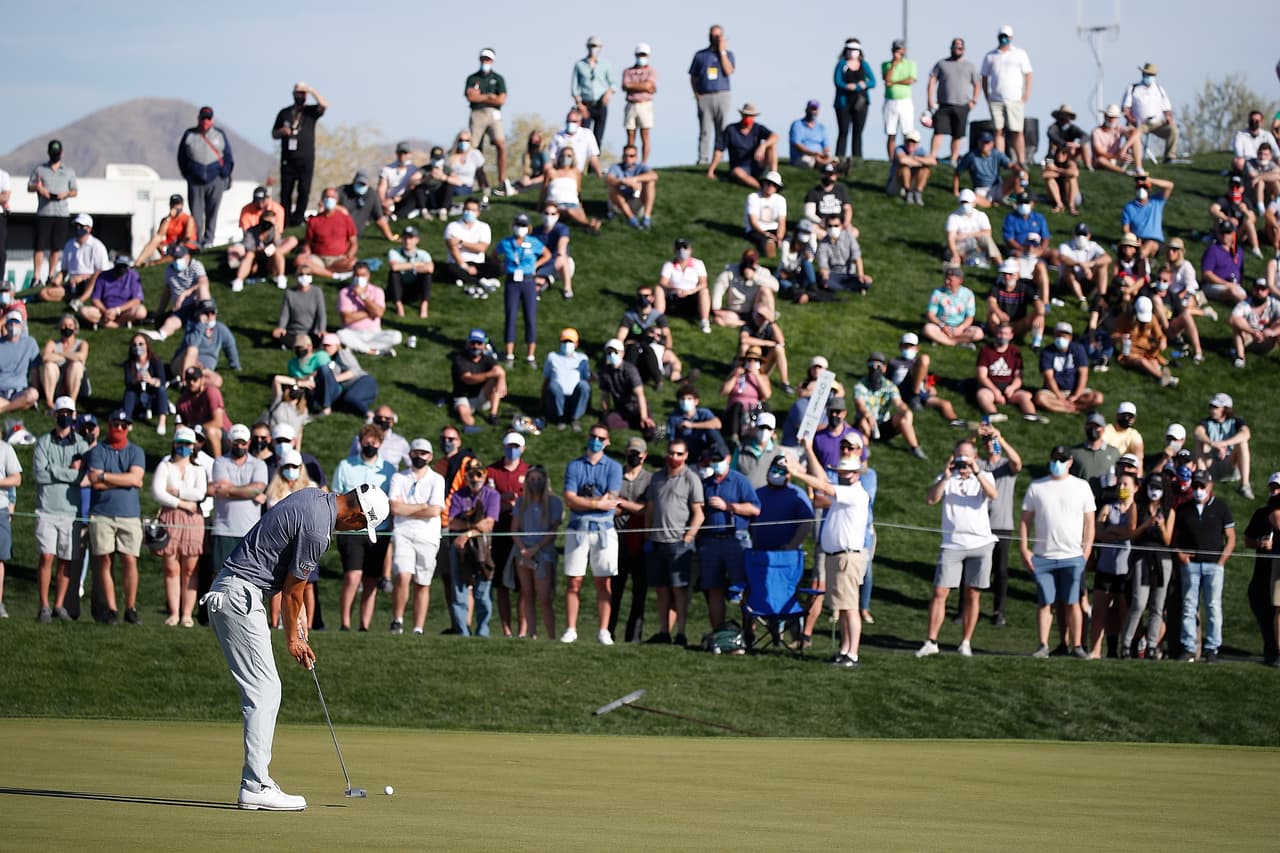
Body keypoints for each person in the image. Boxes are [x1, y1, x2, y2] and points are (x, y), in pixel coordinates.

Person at [203, 483, 389, 811]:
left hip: (234, 590)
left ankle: (258, 779)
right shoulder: (320, 531)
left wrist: (299, 612)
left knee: (265, 689)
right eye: (362, 525)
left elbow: (286, 571)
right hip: (238, 595)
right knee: (264, 690)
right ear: (357, 515)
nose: (358, 529)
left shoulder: (312, 496)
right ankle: (255, 785)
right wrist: (293, 639)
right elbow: (291, 592)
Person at [787, 437, 871, 667]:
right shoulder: (845, 491)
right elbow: (824, 481)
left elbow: (823, 486)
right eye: (842, 472)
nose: (844, 475)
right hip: (838, 556)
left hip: (848, 557)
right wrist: (807, 451)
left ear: (857, 473)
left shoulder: (855, 493)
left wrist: (797, 473)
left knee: (850, 607)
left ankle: (852, 653)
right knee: (843, 607)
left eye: (849, 472)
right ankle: (845, 649)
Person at [918, 439, 998, 657]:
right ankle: (931, 640)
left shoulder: (984, 475)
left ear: (974, 457)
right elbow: (931, 499)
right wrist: (945, 476)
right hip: (952, 544)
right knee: (940, 591)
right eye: (959, 456)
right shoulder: (947, 477)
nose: (963, 460)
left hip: (980, 544)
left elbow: (993, 495)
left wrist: (977, 473)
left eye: (967, 456)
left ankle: (965, 642)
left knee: (973, 594)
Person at [1020, 445, 1096, 659]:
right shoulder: (1037, 487)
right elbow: (1025, 521)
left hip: (1073, 556)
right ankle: (1043, 645)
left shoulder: (1081, 487)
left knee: (1072, 602)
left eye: (1062, 459)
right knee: (1045, 602)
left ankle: (1077, 645)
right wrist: (1024, 549)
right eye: (1055, 459)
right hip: (1043, 556)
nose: (1058, 463)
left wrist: (1086, 552)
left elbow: (1090, 523)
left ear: (1070, 462)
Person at [559, 424, 623, 644]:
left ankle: (604, 630)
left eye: (601, 437)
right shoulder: (575, 466)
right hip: (578, 528)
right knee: (574, 580)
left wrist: (585, 503)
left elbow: (612, 498)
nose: (596, 440)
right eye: (593, 436)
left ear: (607, 442)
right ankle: (571, 629)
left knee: (603, 581)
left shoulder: (614, 467)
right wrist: (596, 503)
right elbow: (569, 497)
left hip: (604, 530)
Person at [330, 424, 394, 632]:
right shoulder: (345, 466)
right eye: (366, 441)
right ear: (360, 442)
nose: (370, 445)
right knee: (352, 576)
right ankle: (345, 623)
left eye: (374, 442)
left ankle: (364, 625)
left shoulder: (389, 469)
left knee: (371, 579)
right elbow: (336, 495)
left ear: (380, 443)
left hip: (378, 530)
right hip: (351, 528)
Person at [86, 409, 146, 625]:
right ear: (109, 425)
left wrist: (105, 477)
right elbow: (95, 481)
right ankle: (111, 608)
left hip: (129, 514)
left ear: (128, 427)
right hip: (102, 513)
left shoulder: (136, 451)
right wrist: (126, 480)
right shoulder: (99, 451)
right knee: (104, 559)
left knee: (129, 559)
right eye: (115, 424)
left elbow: (136, 478)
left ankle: (130, 607)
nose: (118, 428)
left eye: (122, 425)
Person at [643, 437, 704, 645]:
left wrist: (688, 538)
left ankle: (681, 632)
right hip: (657, 541)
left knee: (680, 589)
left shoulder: (691, 478)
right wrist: (648, 533)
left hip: (679, 543)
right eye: (671, 453)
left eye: (679, 454)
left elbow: (699, 513)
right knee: (661, 588)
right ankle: (663, 631)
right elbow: (650, 508)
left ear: (686, 456)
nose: (674, 457)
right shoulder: (657, 477)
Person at [1171, 471, 1234, 662]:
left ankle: (1212, 648)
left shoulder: (1221, 508)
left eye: (1202, 486)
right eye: (1196, 487)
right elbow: (1174, 538)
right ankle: (1189, 647)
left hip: (1213, 566)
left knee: (1213, 607)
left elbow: (1230, 538)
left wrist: (1221, 561)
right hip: (1191, 566)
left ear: (1210, 486)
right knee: (1189, 607)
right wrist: (1180, 555)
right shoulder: (1184, 509)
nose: (1198, 490)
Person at [32, 396, 86, 622]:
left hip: (70, 512)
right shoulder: (43, 441)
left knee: (66, 560)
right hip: (46, 509)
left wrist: (55, 470)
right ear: (55, 414)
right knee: (47, 556)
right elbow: (39, 474)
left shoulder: (81, 444)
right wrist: (68, 473)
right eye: (60, 412)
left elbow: (83, 477)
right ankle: (44, 605)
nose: (64, 416)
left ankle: (59, 604)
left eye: (68, 412)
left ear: (74, 416)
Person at [696, 446, 760, 630]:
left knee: (744, 587)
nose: (716, 463)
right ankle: (718, 632)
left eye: (719, 459)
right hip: (710, 541)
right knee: (713, 588)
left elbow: (755, 509)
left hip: (736, 539)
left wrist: (728, 507)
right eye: (713, 460)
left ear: (728, 458)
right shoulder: (706, 484)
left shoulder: (740, 481)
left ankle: (748, 631)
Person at [150, 426, 207, 627]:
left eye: (188, 444)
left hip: (193, 520)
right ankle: (174, 612)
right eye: (181, 444)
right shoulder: (165, 465)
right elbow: (157, 492)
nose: (184, 447)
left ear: (193, 447)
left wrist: (175, 490)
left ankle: (187, 614)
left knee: (190, 568)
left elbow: (200, 493)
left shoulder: (198, 469)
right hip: (171, 516)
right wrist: (182, 502)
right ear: (175, 444)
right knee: (171, 566)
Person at [387, 439, 445, 636]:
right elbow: (394, 507)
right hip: (403, 532)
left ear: (430, 456)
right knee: (403, 576)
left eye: (423, 453)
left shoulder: (437, 479)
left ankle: (418, 627)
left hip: (428, 536)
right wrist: (422, 506)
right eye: (416, 453)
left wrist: (409, 508)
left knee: (423, 581)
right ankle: (398, 620)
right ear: (410, 454)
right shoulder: (399, 477)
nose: (419, 457)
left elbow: (435, 510)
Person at [1120, 473, 1176, 659]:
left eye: (1158, 488)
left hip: (1162, 559)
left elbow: (1168, 540)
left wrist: (1160, 526)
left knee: (1158, 605)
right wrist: (1147, 524)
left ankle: (1152, 645)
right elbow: (1131, 533)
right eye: (1152, 487)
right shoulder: (1138, 506)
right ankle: (1126, 644)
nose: (1154, 491)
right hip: (1141, 557)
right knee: (1138, 603)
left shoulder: (1169, 511)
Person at [1087, 471, 1138, 658]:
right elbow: (1097, 531)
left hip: (1126, 570)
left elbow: (1130, 531)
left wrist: (1113, 530)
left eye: (1126, 485)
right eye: (1119, 485)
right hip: (1105, 568)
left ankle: (1124, 650)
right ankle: (1096, 651)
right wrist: (1115, 533)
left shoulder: (1136, 509)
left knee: (1124, 612)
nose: (1122, 488)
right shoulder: (1108, 508)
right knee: (1100, 612)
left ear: (1135, 488)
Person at [447, 458, 500, 636]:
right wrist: (471, 526)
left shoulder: (492, 495)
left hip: (483, 548)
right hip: (462, 549)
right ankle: (463, 631)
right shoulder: (458, 495)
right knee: (460, 590)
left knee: (482, 593)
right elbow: (452, 523)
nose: (475, 478)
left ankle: (483, 631)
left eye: (478, 474)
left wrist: (467, 533)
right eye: (471, 474)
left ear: (484, 475)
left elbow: (488, 523)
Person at [608, 437, 653, 642]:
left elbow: (647, 510)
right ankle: (607, 631)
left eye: (638, 453)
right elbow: (609, 506)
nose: (634, 456)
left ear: (644, 456)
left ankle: (634, 636)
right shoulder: (615, 476)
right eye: (631, 452)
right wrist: (629, 506)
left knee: (639, 593)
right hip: (616, 540)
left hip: (641, 540)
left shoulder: (650, 479)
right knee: (614, 591)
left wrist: (623, 504)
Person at [512, 463, 563, 640]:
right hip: (523, 552)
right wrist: (523, 549)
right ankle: (531, 634)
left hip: (543, 552)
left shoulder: (554, 502)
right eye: (532, 479)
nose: (536, 482)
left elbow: (553, 529)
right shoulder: (521, 502)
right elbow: (515, 528)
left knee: (544, 597)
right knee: (527, 594)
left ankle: (551, 636)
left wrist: (536, 548)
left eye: (539, 479)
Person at [485, 432, 529, 638]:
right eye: (509, 445)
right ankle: (506, 630)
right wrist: (502, 503)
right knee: (502, 582)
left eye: (516, 446)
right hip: (500, 532)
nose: (512, 449)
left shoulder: (528, 472)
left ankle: (523, 630)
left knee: (522, 584)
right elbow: (485, 502)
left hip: (523, 533)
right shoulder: (492, 471)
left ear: (523, 449)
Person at [496, 213, 551, 365]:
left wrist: (535, 266)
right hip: (512, 281)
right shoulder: (506, 243)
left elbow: (547, 254)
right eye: (518, 225)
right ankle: (509, 354)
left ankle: (530, 355)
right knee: (510, 316)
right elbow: (494, 254)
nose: (520, 228)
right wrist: (502, 265)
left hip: (528, 281)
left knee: (530, 318)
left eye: (523, 225)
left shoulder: (533, 242)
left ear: (528, 227)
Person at [177, 106, 234, 248]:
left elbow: (228, 157)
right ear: (199, 119)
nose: (205, 121)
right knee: (196, 213)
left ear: (212, 120)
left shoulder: (219, 135)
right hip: (195, 181)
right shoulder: (190, 135)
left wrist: (223, 173)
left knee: (212, 212)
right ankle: (197, 241)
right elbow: (181, 157)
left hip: (215, 179)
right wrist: (188, 174)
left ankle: (208, 240)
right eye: (203, 118)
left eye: (208, 118)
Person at [272, 82, 327, 227]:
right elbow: (273, 133)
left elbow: (324, 104)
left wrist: (311, 89)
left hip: (306, 159)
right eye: (298, 93)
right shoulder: (284, 113)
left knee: (304, 190)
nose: (301, 96)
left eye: (303, 93)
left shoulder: (310, 112)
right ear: (293, 94)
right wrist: (281, 132)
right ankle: (286, 221)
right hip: (288, 160)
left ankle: (298, 220)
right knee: (286, 192)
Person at [852, 354, 927, 458]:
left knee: (904, 418)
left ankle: (915, 447)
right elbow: (860, 405)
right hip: (866, 424)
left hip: (882, 426)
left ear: (884, 368)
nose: (875, 369)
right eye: (871, 365)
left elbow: (899, 403)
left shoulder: (890, 386)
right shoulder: (860, 386)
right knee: (864, 421)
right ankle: (865, 447)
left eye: (878, 366)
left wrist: (906, 411)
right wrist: (868, 416)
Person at [28, 139, 79, 288]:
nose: (55, 155)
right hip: (44, 213)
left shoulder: (68, 171)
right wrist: (39, 189)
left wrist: (66, 194)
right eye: (52, 153)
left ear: (61, 153)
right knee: (39, 246)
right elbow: (30, 186)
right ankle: (36, 277)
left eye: (57, 153)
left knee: (56, 247)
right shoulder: (40, 170)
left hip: (61, 214)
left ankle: (51, 275)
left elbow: (75, 191)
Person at [980, 25, 1033, 165]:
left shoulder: (1020, 53)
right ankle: (1002, 160)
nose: (1004, 39)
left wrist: (1026, 93)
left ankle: (1021, 161)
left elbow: (1028, 74)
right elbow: (984, 77)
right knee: (998, 131)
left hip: (1014, 99)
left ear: (1011, 38)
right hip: (996, 99)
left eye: (1006, 36)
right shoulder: (990, 55)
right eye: (1001, 36)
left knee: (1017, 131)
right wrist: (987, 95)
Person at [227, 187, 297, 293]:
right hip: (255, 254)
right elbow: (248, 246)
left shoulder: (275, 220)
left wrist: (275, 228)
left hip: (270, 254)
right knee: (247, 254)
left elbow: (277, 243)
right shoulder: (251, 230)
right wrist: (260, 250)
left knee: (280, 249)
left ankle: (281, 277)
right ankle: (238, 280)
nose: (266, 226)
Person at [465, 48, 513, 196]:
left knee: (500, 144)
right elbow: (471, 97)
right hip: (477, 113)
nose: (485, 62)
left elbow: (501, 99)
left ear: (492, 61)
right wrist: (490, 96)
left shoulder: (498, 78)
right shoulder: (472, 78)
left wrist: (482, 96)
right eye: (483, 59)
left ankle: (502, 181)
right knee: (474, 149)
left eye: (488, 59)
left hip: (494, 114)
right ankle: (482, 183)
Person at [141, 244, 211, 344]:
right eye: (175, 258)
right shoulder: (169, 270)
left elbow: (203, 282)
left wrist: (185, 294)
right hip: (182, 308)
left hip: (197, 303)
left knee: (202, 288)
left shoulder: (196, 265)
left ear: (187, 256)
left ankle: (207, 322)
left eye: (180, 258)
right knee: (170, 322)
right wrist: (160, 311)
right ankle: (160, 335)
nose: (177, 261)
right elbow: (167, 291)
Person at [888, 332, 962, 425]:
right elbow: (887, 380)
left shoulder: (919, 363)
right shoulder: (894, 362)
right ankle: (913, 397)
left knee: (945, 404)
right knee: (924, 358)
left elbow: (924, 380)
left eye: (911, 346)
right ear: (900, 346)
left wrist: (929, 386)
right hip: (902, 389)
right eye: (905, 346)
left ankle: (955, 421)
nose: (908, 349)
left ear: (917, 348)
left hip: (919, 391)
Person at [617, 286, 683, 387]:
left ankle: (674, 376)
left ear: (652, 298)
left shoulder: (658, 317)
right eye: (640, 296)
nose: (643, 299)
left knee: (671, 357)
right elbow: (621, 336)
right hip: (634, 350)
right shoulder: (630, 316)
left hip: (654, 349)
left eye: (646, 296)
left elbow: (667, 334)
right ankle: (627, 376)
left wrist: (668, 348)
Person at [927, 37, 980, 163]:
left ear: (964, 50)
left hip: (962, 105)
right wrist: (930, 100)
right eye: (955, 47)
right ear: (951, 48)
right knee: (938, 131)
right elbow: (932, 81)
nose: (958, 49)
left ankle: (954, 159)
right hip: (943, 104)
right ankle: (932, 157)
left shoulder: (970, 66)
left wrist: (974, 101)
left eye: (960, 47)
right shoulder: (941, 64)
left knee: (958, 134)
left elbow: (977, 84)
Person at [689, 25, 736, 165]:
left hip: (722, 94)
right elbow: (693, 77)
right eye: (712, 35)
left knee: (722, 129)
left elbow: (728, 71)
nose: (714, 38)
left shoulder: (729, 54)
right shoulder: (700, 55)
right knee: (705, 130)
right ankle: (703, 159)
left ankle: (718, 159)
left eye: (718, 36)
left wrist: (722, 51)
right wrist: (696, 94)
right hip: (705, 95)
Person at [1035, 321, 1104, 415]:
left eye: (1064, 336)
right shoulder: (1047, 352)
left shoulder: (1078, 349)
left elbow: (1083, 375)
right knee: (1040, 398)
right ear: (1054, 336)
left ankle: (1068, 406)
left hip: (1075, 391)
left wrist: (1075, 395)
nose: (1061, 338)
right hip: (1054, 392)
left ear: (1070, 338)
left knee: (1098, 397)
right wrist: (1060, 397)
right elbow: (1049, 378)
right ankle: (1071, 409)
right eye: (1058, 335)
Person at [974, 322, 1038, 421]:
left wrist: (1012, 388)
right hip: (990, 386)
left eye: (1005, 334)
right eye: (1000, 333)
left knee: (1025, 396)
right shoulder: (986, 350)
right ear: (996, 333)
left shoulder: (1015, 351)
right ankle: (993, 414)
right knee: (982, 395)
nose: (1002, 336)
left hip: (1009, 386)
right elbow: (982, 376)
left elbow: (1018, 377)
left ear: (1011, 336)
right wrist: (996, 392)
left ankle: (1031, 415)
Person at [1195, 393, 1254, 499]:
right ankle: (1201, 480)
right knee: (1200, 442)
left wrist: (1224, 444)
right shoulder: (1207, 422)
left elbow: (1246, 433)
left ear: (1225, 409)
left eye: (1216, 407)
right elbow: (1198, 432)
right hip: (1211, 463)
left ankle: (1244, 485)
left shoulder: (1235, 422)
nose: (1213, 410)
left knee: (1242, 443)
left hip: (1229, 462)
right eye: (1211, 407)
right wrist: (1213, 444)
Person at [706, 103, 778, 189]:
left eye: (751, 116)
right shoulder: (731, 129)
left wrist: (763, 146)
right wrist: (711, 171)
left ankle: (774, 178)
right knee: (737, 172)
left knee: (772, 145)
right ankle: (762, 188)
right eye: (746, 115)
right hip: (740, 167)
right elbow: (719, 150)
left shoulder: (758, 128)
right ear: (742, 115)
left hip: (758, 164)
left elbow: (775, 136)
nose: (748, 118)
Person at [41, 213, 108, 304]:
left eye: (81, 226)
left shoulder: (97, 246)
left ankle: (80, 300)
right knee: (44, 293)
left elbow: (102, 272)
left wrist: (82, 277)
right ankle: (71, 298)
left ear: (89, 228)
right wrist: (58, 280)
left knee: (94, 278)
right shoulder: (69, 244)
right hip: (73, 284)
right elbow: (64, 270)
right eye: (76, 225)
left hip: (89, 283)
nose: (78, 228)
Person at [336, 263, 402, 357]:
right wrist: (370, 313)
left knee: (397, 336)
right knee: (340, 334)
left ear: (368, 276)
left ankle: (358, 348)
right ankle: (374, 351)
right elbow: (347, 318)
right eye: (357, 276)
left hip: (374, 333)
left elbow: (379, 313)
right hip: (352, 332)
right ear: (353, 276)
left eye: (363, 275)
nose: (359, 278)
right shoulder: (344, 292)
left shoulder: (377, 291)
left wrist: (362, 296)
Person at [597, 338, 657, 438]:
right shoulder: (604, 372)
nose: (612, 355)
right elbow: (605, 395)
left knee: (650, 432)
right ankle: (635, 424)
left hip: (637, 407)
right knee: (608, 422)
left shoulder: (630, 370)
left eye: (615, 352)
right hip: (621, 409)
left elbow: (640, 395)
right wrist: (605, 413)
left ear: (622, 354)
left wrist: (643, 416)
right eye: (609, 352)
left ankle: (655, 429)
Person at [440, 198, 501, 294]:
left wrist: (461, 242)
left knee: (498, 268)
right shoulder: (452, 226)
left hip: (478, 263)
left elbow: (481, 248)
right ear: (463, 210)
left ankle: (465, 278)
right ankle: (481, 281)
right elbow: (453, 248)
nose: (470, 212)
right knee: (451, 269)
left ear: (478, 212)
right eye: (467, 209)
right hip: (459, 263)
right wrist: (465, 267)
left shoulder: (484, 227)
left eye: (473, 210)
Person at [173, 298, 241, 387]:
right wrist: (201, 325)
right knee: (192, 350)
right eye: (206, 313)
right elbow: (191, 344)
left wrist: (236, 366)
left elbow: (230, 346)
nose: (210, 316)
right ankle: (184, 381)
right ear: (199, 314)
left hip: (203, 370)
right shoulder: (192, 326)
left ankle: (191, 384)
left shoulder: (221, 328)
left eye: (212, 312)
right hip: (183, 365)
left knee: (217, 381)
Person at [1122, 62, 1180, 163]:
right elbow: (1125, 108)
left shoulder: (1159, 89)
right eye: (1148, 74)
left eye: (1152, 75)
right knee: (1132, 134)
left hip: (1157, 123)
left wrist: (1168, 117)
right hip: (1140, 124)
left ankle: (1169, 157)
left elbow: (1167, 109)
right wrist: (1131, 119)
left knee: (1173, 130)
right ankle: (1133, 159)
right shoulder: (1133, 88)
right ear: (1143, 74)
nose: (1150, 77)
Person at [295, 188, 358, 279]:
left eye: (332, 197)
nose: (329, 199)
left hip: (339, 258)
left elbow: (354, 242)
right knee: (299, 260)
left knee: (353, 263)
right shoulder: (314, 220)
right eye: (327, 197)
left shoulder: (345, 218)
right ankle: (333, 275)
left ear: (337, 200)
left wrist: (349, 254)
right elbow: (307, 242)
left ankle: (321, 271)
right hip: (318, 257)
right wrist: (306, 251)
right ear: (322, 200)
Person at [451, 328, 506, 432]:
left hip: (481, 395)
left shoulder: (487, 359)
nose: (475, 346)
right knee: (469, 421)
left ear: (484, 345)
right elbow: (467, 379)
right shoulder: (459, 360)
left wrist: (502, 379)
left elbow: (499, 370)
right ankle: (472, 428)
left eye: (479, 343)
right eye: (473, 343)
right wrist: (490, 374)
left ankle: (493, 415)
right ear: (468, 344)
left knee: (495, 381)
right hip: (463, 397)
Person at [832, 38, 876, 163]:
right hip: (843, 103)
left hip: (861, 103)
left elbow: (873, 82)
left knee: (858, 131)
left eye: (855, 50)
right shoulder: (841, 64)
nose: (852, 52)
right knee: (843, 131)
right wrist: (847, 86)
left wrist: (860, 86)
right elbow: (837, 81)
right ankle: (839, 158)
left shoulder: (864, 65)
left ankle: (857, 159)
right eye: (850, 50)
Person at [542, 143, 601, 235]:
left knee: (578, 212)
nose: (566, 158)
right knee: (570, 211)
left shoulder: (576, 173)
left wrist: (580, 206)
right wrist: (540, 206)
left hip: (573, 202)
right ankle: (588, 225)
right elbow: (544, 190)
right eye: (564, 155)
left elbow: (577, 191)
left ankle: (588, 226)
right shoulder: (551, 172)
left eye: (569, 156)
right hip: (556, 203)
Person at [657, 237, 711, 332]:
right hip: (674, 297)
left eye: (685, 248)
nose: (682, 251)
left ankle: (704, 321)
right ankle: (659, 319)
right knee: (658, 289)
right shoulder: (669, 265)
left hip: (691, 297)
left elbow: (703, 283)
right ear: (675, 250)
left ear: (690, 250)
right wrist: (675, 289)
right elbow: (662, 282)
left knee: (705, 291)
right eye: (679, 249)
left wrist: (691, 291)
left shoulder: (698, 264)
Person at [712, 249, 779, 327]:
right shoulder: (730, 271)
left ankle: (770, 320)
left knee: (766, 290)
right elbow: (718, 289)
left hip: (754, 310)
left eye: (751, 262)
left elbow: (776, 286)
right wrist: (716, 309)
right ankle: (747, 324)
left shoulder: (762, 272)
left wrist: (754, 277)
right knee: (718, 320)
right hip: (735, 311)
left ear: (755, 262)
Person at [571, 36, 617, 145]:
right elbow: (574, 88)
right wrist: (580, 105)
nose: (594, 48)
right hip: (585, 105)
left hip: (601, 104)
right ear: (587, 47)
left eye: (596, 46)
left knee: (598, 138)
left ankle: (594, 161)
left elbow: (613, 83)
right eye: (592, 46)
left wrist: (608, 93)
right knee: (582, 136)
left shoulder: (606, 64)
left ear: (600, 48)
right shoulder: (579, 65)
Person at [952, 132, 1019, 207]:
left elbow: (1011, 165)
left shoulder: (996, 154)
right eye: (983, 142)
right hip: (981, 189)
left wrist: (1019, 171)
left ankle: (1020, 199)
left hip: (997, 186)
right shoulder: (971, 156)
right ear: (978, 143)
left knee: (1019, 176)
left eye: (987, 142)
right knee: (972, 199)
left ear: (992, 144)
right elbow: (957, 172)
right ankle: (994, 203)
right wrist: (956, 191)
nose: (985, 145)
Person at [923, 265, 985, 347]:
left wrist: (961, 328)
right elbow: (931, 314)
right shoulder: (938, 293)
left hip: (960, 327)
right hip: (942, 326)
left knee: (979, 333)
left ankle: (944, 340)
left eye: (950, 280)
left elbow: (970, 317)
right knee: (927, 329)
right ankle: (955, 342)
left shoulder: (968, 294)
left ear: (960, 281)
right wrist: (942, 325)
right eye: (946, 279)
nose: (946, 282)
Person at [542, 328, 591, 430]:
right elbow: (546, 380)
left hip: (574, 398)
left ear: (576, 344)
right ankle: (561, 418)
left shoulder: (582, 358)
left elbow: (586, 381)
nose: (567, 344)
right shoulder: (552, 356)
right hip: (557, 398)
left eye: (570, 341)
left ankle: (574, 418)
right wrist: (542, 400)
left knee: (584, 386)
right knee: (553, 386)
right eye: (565, 341)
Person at [987, 258, 1044, 345]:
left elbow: (1038, 303)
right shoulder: (997, 287)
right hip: (1001, 324)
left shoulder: (1025, 288)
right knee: (992, 314)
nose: (1007, 277)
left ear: (1017, 275)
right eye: (1004, 274)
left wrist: (1040, 314)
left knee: (1039, 316)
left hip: (1018, 324)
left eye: (1010, 274)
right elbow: (991, 302)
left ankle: (1036, 343)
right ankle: (999, 337)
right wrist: (999, 313)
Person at [880, 39, 918, 170]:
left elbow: (911, 80)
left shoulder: (910, 64)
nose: (898, 52)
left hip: (905, 101)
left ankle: (908, 157)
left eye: (900, 49)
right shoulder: (886, 64)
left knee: (908, 132)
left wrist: (895, 83)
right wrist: (894, 64)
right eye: (896, 49)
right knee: (891, 132)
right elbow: (887, 79)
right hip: (890, 101)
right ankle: (892, 159)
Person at [81, 254, 147, 329]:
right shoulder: (103, 276)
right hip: (105, 310)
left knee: (141, 311)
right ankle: (116, 324)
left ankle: (112, 324)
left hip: (124, 311)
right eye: (119, 266)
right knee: (84, 311)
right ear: (114, 265)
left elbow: (137, 300)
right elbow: (95, 299)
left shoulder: (133, 275)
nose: (121, 269)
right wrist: (106, 311)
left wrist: (117, 310)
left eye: (124, 266)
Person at [39, 314, 88, 413]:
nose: (67, 328)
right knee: (49, 365)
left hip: (77, 382)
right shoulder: (53, 343)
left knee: (76, 365)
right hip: (58, 382)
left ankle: (72, 403)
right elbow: (45, 357)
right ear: (59, 327)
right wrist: (71, 356)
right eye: (64, 325)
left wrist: (60, 354)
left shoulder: (82, 343)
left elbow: (81, 357)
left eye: (70, 325)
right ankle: (50, 403)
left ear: (75, 327)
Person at [1057, 222, 1112, 308]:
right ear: (1073, 234)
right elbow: (1063, 258)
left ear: (1089, 236)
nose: (1081, 237)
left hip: (1088, 279)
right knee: (1067, 268)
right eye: (1078, 234)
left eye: (1084, 234)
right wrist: (1080, 265)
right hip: (1068, 282)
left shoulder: (1093, 246)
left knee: (1103, 266)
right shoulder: (1065, 246)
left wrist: (1091, 264)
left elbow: (1108, 258)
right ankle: (1081, 299)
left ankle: (1101, 297)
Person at [1229, 277, 1280, 368]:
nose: (1259, 292)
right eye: (1257, 289)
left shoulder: (1274, 303)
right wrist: (1253, 332)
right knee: (1237, 326)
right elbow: (1232, 319)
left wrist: (1272, 332)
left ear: (1268, 291)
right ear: (1253, 290)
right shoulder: (1244, 304)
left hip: (1268, 340)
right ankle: (1240, 357)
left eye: (1263, 289)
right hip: (1249, 339)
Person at [605, 145, 658, 230]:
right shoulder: (616, 167)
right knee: (613, 187)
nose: (628, 158)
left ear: (636, 157)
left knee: (650, 183)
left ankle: (646, 218)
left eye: (631, 156)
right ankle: (631, 219)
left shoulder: (641, 167)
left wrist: (634, 180)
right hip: (619, 203)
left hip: (636, 200)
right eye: (626, 155)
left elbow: (654, 176)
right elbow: (608, 179)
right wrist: (623, 182)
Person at [1121, 173, 1174, 258]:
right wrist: (1132, 240)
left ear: (1149, 190)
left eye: (1144, 187)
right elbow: (1125, 228)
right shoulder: (1129, 207)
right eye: (1139, 187)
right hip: (1137, 239)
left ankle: (1141, 261)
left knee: (1148, 246)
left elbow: (1170, 186)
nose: (1141, 190)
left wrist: (1150, 180)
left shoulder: (1157, 201)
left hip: (1155, 241)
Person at [1211, 176, 1264, 259]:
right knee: (1219, 218)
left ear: (1242, 189)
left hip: (1239, 233)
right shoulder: (1224, 199)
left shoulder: (1245, 201)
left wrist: (1245, 211)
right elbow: (1213, 209)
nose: (1234, 189)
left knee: (1249, 222)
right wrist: (1227, 219)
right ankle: (1219, 240)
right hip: (1226, 232)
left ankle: (1256, 248)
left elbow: (1253, 219)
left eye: (1237, 187)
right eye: (1232, 187)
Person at [622, 43, 658, 164]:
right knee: (630, 135)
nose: (641, 57)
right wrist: (643, 86)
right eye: (639, 54)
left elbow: (649, 85)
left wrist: (634, 86)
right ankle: (630, 161)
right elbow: (626, 86)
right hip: (631, 104)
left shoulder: (651, 71)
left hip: (645, 105)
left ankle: (643, 163)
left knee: (645, 135)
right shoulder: (628, 71)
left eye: (643, 55)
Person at [945, 190, 1001, 268]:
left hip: (977, 244)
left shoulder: (981, 215)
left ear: (974, 203)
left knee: (987, 239)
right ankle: (963, 259)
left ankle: (1000, 263)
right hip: (960, 246)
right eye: (963, 202)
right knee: (954, 256)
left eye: (967, 202)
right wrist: (955, 254)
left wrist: (968, 235)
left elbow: (988, 233)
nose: (965, 205)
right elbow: (950, 239)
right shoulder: (953, 217)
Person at [0, 311, 40, 418]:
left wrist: (36, 388)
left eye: (16, 323)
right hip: (1, 390)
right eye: (10, 323)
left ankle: (4, 409)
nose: (13, 326)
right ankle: (20, 406)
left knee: (33, 394)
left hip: (19, 391)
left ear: (21, 325)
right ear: (6, 326)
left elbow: (34, 369)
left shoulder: (30, 343)